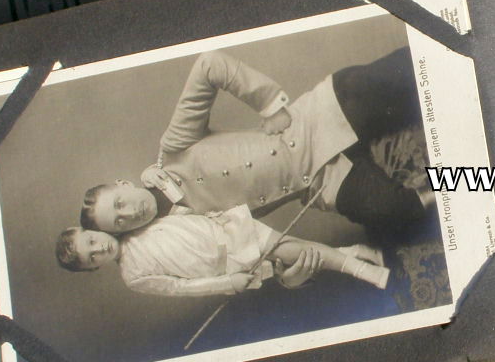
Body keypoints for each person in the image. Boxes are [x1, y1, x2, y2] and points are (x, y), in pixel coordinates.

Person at [81, 47, 434, 243]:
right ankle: (465, 176)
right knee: (393, 211)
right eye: (120, 221)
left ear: (122, 184)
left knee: (400, 79)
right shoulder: (182, 236)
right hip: (321, 183)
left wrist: (270, 105)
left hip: (315, 123)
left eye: (119, 202)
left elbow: (210, 65)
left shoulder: (174, 149)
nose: (130, 212)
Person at [55, 204, 388, 296]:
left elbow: (173, 204)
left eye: (92, 241)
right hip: (228, 264)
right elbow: (181, 287)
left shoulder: (130, 222)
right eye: (92, 257)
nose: (99, 248)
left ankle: (364, 270)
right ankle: (351, 251)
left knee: (289, 250)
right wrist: (228, 283)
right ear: (94, 268)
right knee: (295, 254)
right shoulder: (133, 276)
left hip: (227, 230)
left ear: (93, 231)